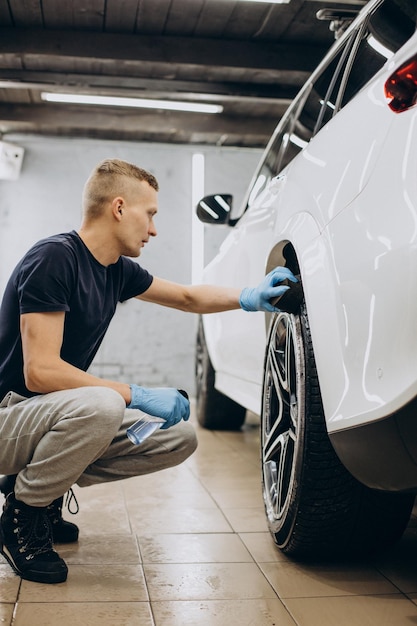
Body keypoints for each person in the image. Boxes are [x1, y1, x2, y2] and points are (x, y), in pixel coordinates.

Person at [0, 158, 296, 585]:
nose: (154, 229)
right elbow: (40, 373)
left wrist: (250, 296)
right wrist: (134, 393)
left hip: (42, 420)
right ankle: (21, 516)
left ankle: (39, 491)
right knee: (103, 404)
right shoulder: (54, 259)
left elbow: (188, 296)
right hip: (10, 417)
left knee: (177, 436)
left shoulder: (115, 270)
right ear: (119, 207)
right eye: (151, 214)